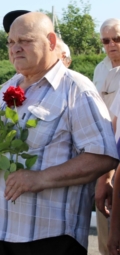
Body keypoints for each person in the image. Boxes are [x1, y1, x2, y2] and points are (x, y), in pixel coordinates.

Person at [0, 12, 118, 255]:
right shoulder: (7, 88)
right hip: (2, 235)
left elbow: (103, 156)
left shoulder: (75, 89)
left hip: (48, 239)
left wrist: (40, 178)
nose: (16, 48)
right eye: (11, 42)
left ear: (51, 42)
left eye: (25, 40)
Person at [93, 18, 120, 255]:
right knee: (106, 230)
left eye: (117, 38)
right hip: (105, 155)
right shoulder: (100, 70)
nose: (112, 44)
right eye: (106, 40)